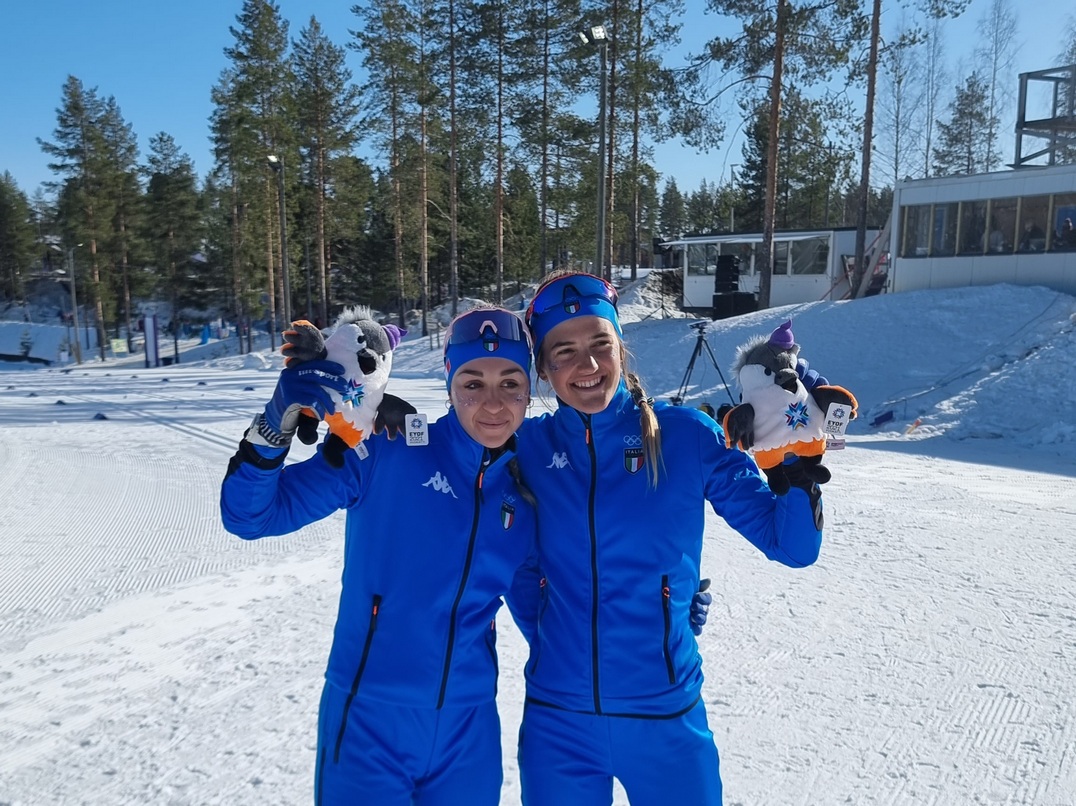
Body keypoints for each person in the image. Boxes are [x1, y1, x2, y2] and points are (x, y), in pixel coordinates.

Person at [515, 270, 826, 805]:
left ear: (621, 347)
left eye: (599, 344)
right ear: (543, 368)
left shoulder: (686, 436)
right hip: (558, 724)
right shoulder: (523, 449)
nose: (586, 365)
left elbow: (793, 546)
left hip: (666, 716)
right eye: (563, 351)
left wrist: (796, 464)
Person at [220, 306, 540, 805]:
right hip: (370, 724)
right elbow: (251, 517)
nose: (493, 404)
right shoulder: (384, 450)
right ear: (450, 383)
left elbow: (549, 621)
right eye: (473, 383)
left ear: (529, 389)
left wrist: (659, 613)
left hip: (469, 732)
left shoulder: (522, 498)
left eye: (511, 384)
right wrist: (273, 423)